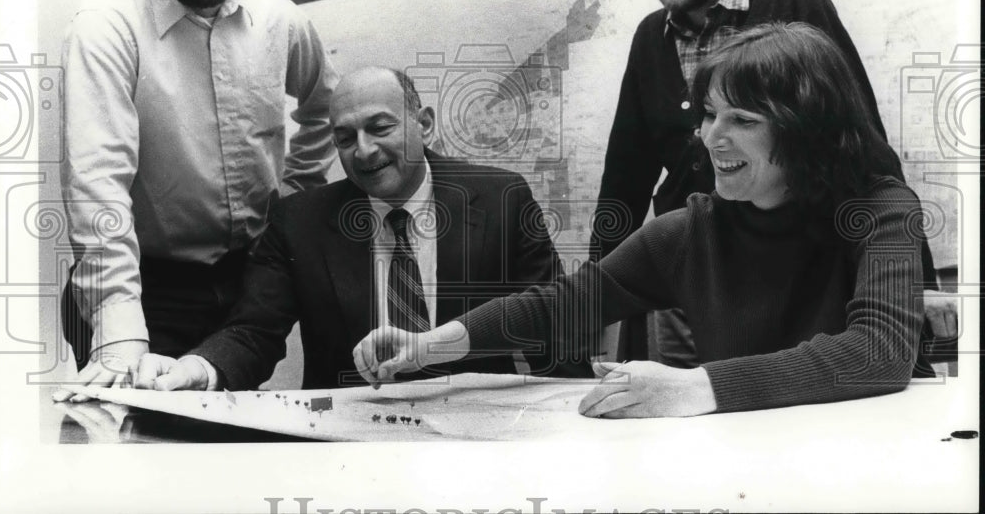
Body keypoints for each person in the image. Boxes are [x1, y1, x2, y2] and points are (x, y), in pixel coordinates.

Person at [354, 23, 929, 417]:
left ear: (807, 129)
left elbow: (879, 353)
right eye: (707, 115)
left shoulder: (879, 210)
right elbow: (561, 304)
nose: (711, 137)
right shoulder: (691, 229)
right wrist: (431, 344)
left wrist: (695, 387)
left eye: (743, 119)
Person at [589, 0, 946, 365]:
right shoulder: (652, 36)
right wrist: (595, 297)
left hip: (797, 259)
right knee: (684, 409)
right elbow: (624, 173)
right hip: (698, 267)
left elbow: (860, 138)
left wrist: (915, 285)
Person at [55, 0, 340, 399]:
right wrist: (119, 335)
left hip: (247, 280)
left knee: (230, 445)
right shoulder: (106, 29)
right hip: (145, 285)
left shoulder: (279, 18)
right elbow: (97, 184)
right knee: (140, 449)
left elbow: (326, 109)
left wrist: (294, 203)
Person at [132, 67, 590, 392]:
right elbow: (254, 330)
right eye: (345, 138)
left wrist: (580, 423)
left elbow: (551, 323)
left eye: (380, 127)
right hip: (349, 441)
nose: (364, 151)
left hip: (473, 435)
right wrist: (198, 367)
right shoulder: (299, 222)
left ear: (424, 123)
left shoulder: (501, 199)